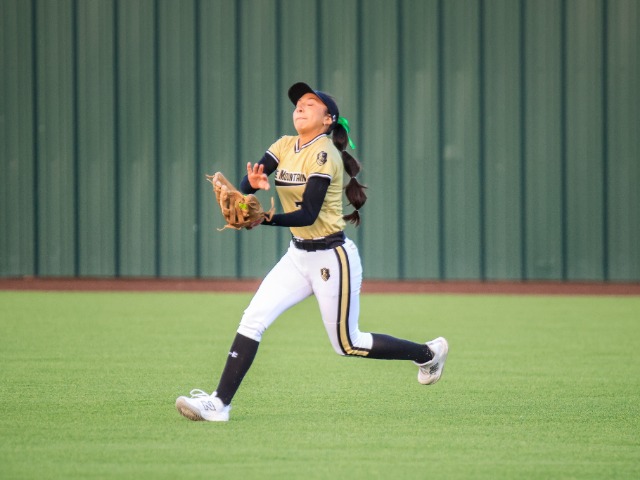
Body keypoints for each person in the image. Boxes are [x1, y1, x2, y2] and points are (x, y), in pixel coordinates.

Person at [176, 82, 448, 422]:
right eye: (298, 103)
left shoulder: (325, 154)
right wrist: (250, 187)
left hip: (331, 257)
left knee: (347, 343)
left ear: (327, 119)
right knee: (253, 319)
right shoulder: (284, 145)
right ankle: (219, 404)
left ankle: (428, 353)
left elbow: (308, 214)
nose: (300, 107)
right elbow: (248, 185)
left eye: (310, 103)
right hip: (297, 256)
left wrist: (265, 218)